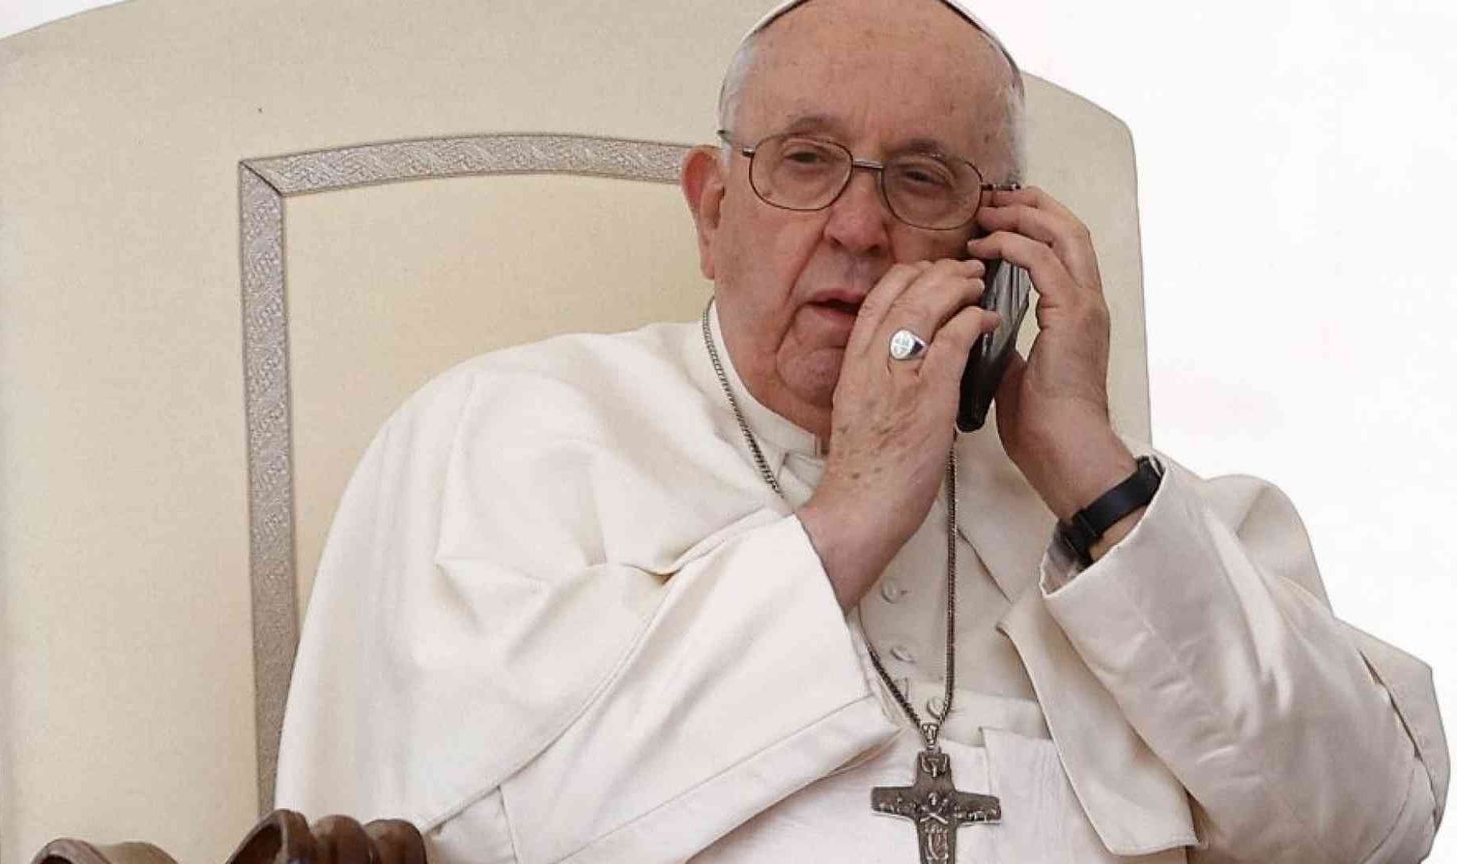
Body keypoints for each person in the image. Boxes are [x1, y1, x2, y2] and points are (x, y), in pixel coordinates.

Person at [274, 0, 1448, 861]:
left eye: (924, 180)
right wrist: (851, 514)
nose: (857, 225)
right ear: (713, 208)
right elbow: (450, 834)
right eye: (806, 162)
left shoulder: (1123, 511)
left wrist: (1089, 474)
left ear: (1001, 247)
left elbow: (1373, 828)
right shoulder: (508, 436)